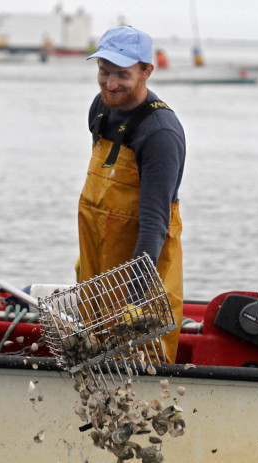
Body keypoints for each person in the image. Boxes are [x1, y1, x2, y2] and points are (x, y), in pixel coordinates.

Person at [78, 26, 185, 363]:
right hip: (97, 271)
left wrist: (133, 303)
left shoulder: (160, 134)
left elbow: (154, 226)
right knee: (92, 360)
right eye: (103, 71)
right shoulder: (101, 108)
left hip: (142, 274)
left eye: (122, 74)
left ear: (146, 71)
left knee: (138, 370)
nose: (110, 84)